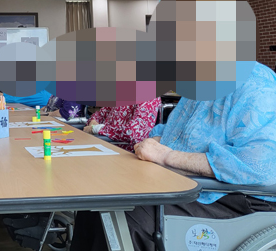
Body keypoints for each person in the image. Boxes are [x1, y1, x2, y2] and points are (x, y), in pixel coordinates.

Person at [70, 62, 276, 251]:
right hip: (186, 183)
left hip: (234, 197)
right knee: (96, 201)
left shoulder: (257, 83)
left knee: (127, 217)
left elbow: (259, 166)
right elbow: (173, 132)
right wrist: (157, 140)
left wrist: (167, 156)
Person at [80, 98, 161, 152]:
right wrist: (93, 121)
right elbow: (100, 114)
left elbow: (133, 132)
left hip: (125, 154)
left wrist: (97, 129)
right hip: (102, 146)